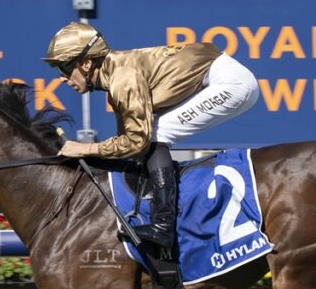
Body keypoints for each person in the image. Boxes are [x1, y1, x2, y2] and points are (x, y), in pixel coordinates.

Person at [43, 21, 260, 249]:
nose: (62, 77)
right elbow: (127, 143)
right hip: (219, 75)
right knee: (152, 134)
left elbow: (137, 142)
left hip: (232, 84)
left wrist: (85, 148)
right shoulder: (115, 79)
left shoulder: (122, 78)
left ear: (86, 63)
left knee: (157, 133)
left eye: (65, 67)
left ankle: (163, 226)